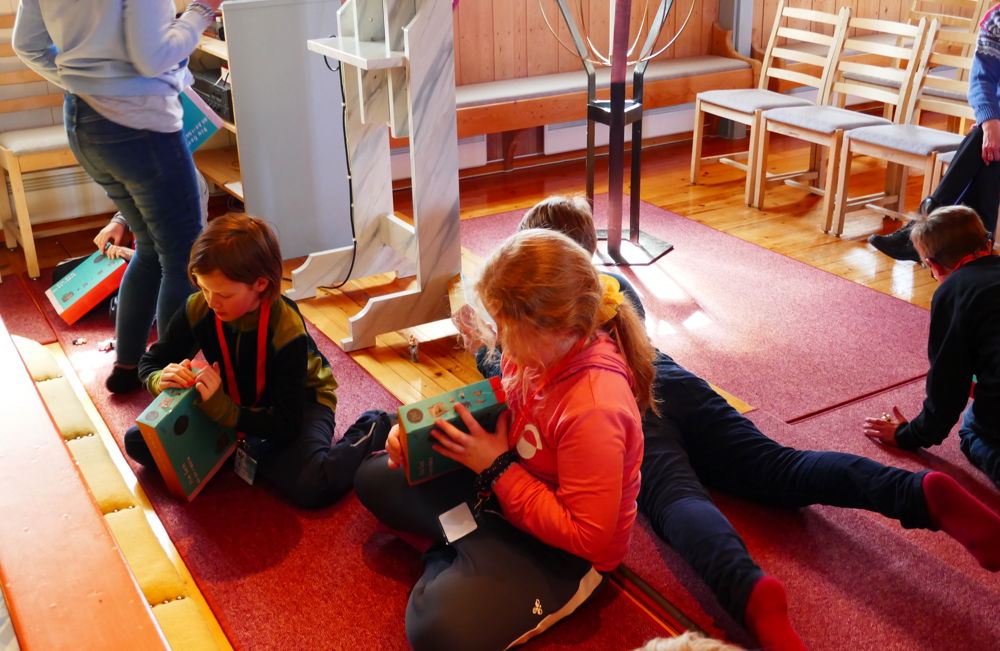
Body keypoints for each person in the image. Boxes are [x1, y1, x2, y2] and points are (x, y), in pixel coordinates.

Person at [464, 195, 1000, 651]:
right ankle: (920, 492)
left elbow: (507, 367)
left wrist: (478, 342)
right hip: (674, 383)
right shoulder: (611, 292)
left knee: (679, 502)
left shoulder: (553, 358)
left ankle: (750, 591)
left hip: (625, 410)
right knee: (780, 466)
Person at [354, 229, 655, 651]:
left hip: (564, 552)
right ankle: (469, 550)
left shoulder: (594, 408)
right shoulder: (538, 349)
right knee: (373, 477)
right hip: (502, 489)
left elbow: (588, 537)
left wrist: (497, 468)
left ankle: (459, 550)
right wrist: (415, 434)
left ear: (552, 327)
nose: (498, 340)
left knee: (437, 631)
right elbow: (498, 413)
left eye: (505, 329)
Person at [12, 0, 228, 394]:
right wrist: (203, 9)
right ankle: (169, 386)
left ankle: (128, 367)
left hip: (83, 121)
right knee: (182, 258)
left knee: (149, 248)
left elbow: (28, 46)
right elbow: (152, 57)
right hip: (140, 127)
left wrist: (88, 84)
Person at [123, 213, 392, 508]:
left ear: (261, 284)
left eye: (223, 294)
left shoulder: (286, 327)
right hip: (232, 401)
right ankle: (247, 449)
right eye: (203, 288)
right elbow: (150, 362)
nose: (211, 301)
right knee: (139, 443)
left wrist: (224, 412)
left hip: (299, 405)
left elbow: (287, 423)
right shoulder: (199, 307)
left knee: (313, 484)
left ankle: (376, 424)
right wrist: (158, 378)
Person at [864, 205, 1000, 489]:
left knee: (971, 426)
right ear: (987, 243)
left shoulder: (954, 291)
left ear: (934, 265)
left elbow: (947, 387)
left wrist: (908, 434)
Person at [869, 2, 1000, 262]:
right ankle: (976, 253)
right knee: (986, 148)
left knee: (984, 145)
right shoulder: (997, 19)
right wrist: (990, 122)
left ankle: (922, 232)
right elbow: (981, 79)